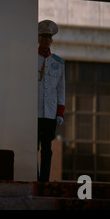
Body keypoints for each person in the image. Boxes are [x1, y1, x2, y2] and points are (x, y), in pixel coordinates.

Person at [37, 19, 65, 182]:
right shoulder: (31, 58)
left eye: (49, 37)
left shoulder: (58, 63)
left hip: (49, 113)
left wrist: (60, 112)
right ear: (39, 39)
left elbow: (61, 89)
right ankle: (34, 176)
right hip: (34, 112)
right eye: (43, 37)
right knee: (33, 147)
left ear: (52, 41)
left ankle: (44, 179)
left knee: (47, 149)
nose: (46, 40)